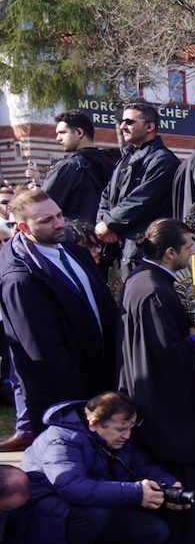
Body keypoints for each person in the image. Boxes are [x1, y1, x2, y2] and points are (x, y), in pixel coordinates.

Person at [119, 218, 195, 544]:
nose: (193, 252)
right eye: (189, 246)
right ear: (170, 252)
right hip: (166, 401)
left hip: (153, 393)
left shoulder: (142, 281)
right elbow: (165, 353)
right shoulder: (154, 290)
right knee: (183, 468)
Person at [18, 392, 189, 544]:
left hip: (78, 511)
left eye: (130, 428)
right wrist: (135, 493)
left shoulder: (115, 439)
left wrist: (170, 485)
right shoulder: (61, 439)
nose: (127, 435)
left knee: (154, 531)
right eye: (121, 429)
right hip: (38, 516)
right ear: (94, 423)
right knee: (95, 513)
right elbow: (72, 487)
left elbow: (142, 465)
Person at [0, 186, 119, 437]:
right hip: (66, 399)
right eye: (47, 220)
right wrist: (82, 399)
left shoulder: (73, 250)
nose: (58, 224)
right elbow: (43, 349)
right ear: (23, 228)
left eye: (58, 215)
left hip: (100, 379)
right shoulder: (19, 277)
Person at [97, 103, 180, 261]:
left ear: (149, 126)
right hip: (120, 247)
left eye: (129, 122)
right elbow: (107, 195)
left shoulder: (163, 160)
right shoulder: (125, 159)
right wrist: (103, 223)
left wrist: (108, 223)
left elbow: (142, 201)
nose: (122, 126)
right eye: (122, 121)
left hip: (145, 250)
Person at [42, 109, 116, 242]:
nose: (58, 138)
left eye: (62, 133)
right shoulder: (114, 166)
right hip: (107, 240)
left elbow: (42, 206)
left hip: (74, 242)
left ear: (79, 133)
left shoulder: (67, 167)